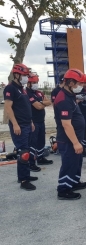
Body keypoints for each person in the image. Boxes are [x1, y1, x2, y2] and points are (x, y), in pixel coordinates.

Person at [54, 68, 86, 200]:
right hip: (68, 140)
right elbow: (66, 124)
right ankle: (63, 189)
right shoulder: (63, 99)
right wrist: (75, 143)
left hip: (76, 137)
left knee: (76, 162)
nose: (81, 86)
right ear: (70, 83)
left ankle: (73, 182)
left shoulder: (70, 95)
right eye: (78, 84)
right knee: (69, 163)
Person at [3, 63, 37, 191]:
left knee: (26, 150)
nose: (26, 78)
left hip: (27, 123)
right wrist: (15, 124)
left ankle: (25, 175)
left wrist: (31, 122)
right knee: (24, 153)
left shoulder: (22, 89)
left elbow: (26, 107)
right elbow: (8, 107)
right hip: (19, 125)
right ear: (16, 74)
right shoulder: (10, 88)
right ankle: (24, 180)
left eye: (26, 75)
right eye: (23, 75)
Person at [26, 73, 53, 172]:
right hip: (34, 122)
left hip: (41, 121)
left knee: (41, 141)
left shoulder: (39, 93)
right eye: (33, 82)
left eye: (36, 82)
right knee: (33, 143)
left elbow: (48, 102)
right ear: (28, 83)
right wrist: (42, 103)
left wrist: (41, 103)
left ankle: (40, 158)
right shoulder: (27, 93)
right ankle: (31, 163)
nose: (35, 84)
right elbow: (38, 106)